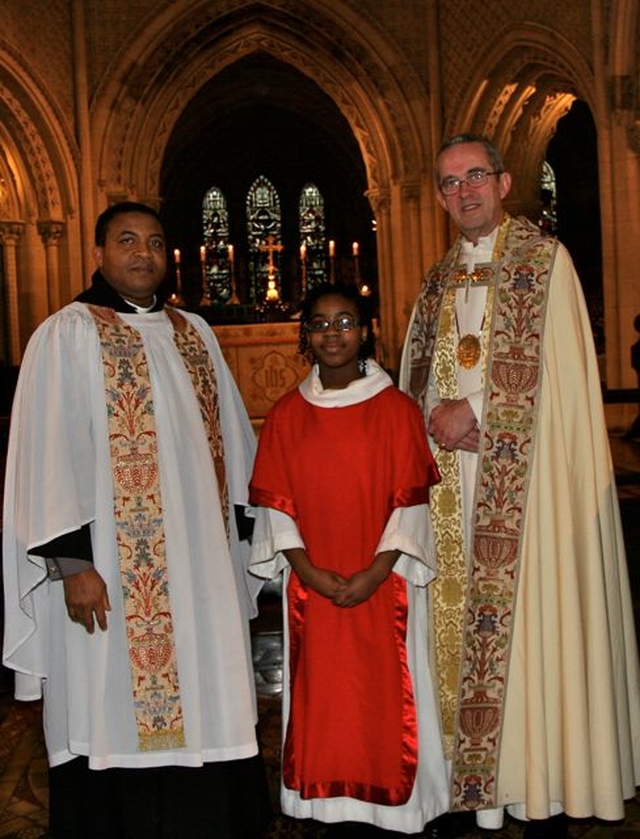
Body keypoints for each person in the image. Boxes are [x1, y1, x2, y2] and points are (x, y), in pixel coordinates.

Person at [2, 202, 271, 838]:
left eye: (154, 241)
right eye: (127, 241)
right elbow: (46, 456)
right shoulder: (65, 334)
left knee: (209, 699)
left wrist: (234, 551)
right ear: (98, 254)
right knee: (107, 703)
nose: (143, 253)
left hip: (200, 571)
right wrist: (71, 564)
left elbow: (231, 443)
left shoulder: (194, 332)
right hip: (109, 578)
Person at [400, 134, 640, 837]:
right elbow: (415, 375)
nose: (463, 191)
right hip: (448, 490)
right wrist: (433, 418)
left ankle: (538, 787)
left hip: (526, 499)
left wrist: (474, 411)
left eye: (476, 176)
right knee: (449, 635)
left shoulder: (545, 263)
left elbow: (559, 377)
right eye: (449, 183)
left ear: (505, 183)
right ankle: (467, 790)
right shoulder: (437, 279)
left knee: (533, 634)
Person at [248, 282, 450, 835]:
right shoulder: (288, 414)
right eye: (319, 323)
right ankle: (324, 802)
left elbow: (411, 504)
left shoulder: (396, 409)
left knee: (386, 698)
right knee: (324, 700)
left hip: (383, 581)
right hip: (312, 584)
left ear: (365, 332)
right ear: (305, 337)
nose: (332, 333)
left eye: (344, 322)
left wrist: (375, 573)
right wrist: (309, 572)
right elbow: (276, 507)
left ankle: (401, 809)